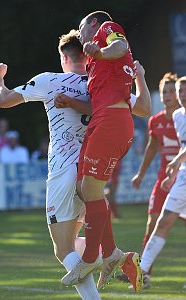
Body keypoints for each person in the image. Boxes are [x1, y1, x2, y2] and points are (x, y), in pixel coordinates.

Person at [0, 29, 102, 300]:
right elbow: (143, 108)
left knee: (62, 249)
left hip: (64, 171)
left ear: (64, 57)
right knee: (74, 243)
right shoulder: (100, 83)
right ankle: (105, 255)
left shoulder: (50, 80)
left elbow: (3, 100)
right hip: (94, 169)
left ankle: (107, 259)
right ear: (86, 57)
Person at [61, 11, 144, 291]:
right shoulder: (94, 63)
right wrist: (72, 103)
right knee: (85, 189)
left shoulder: (106, 29)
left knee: (92, 191)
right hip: (103, 120)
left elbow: (120, 45)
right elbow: (96, 104)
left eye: (81, 26)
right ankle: (111, 255)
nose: (80, 31)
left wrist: (101, 49)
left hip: (112, 122)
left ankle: (90, 258)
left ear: (93, 23)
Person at [129, 72, 180, 287]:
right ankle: (145, 275)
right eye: (164, 92)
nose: (167, 95)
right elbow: (151, 148)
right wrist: (140, 174)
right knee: (152, 226)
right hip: (163, 182)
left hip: (183, 182)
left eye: (171, 91)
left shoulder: (183, 119)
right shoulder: (156, 121)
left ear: (179, 95)